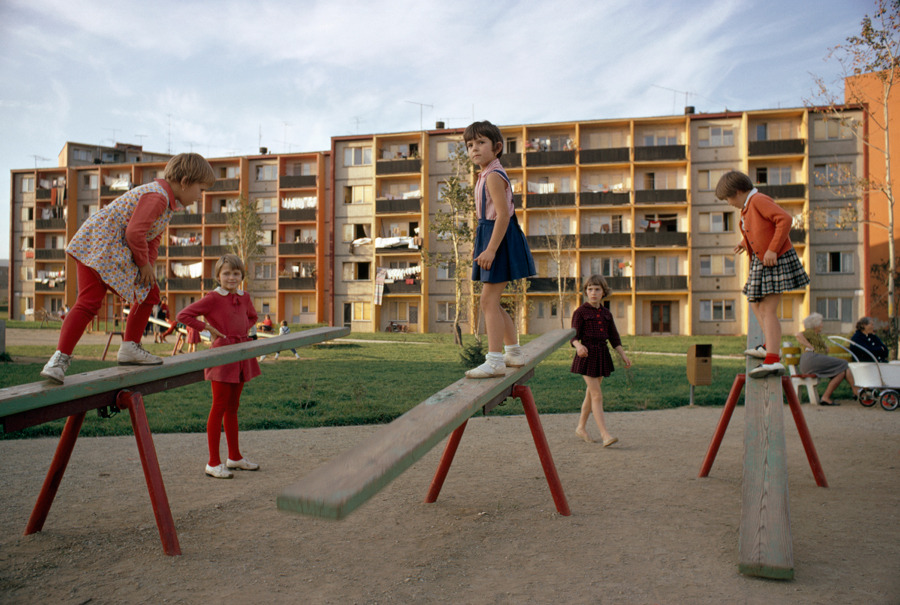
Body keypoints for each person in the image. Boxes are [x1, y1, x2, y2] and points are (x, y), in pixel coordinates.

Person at [40, 153, 215, 384]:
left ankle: (129, 348)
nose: (200, 197)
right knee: (89, 302)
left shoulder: (166, 204)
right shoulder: (158, 196)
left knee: (148, 291)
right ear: (184, 182)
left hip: (109, 248)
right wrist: (142, 264)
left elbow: (152, 238)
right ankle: (58, 360)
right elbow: (135, 232)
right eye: (200, 189)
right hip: (101, 246)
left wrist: (149, 267)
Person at [716, 170, 809, 379]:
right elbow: (760, 229)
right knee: (755, 303)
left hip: (772, 259)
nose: (729, 203)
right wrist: (744, 242)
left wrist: (773, 249)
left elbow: (785, 219)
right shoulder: (748, 206)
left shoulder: (757, 200)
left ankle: (773, 359)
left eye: (729, 198)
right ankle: (770, 346)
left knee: (767, 309)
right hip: (763, 261)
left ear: (739, 191)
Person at [178, 254, 261, 479]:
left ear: (242, 275)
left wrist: (241, 331)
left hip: (242, 353)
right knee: (219, 406)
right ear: (218, 276)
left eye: (236, 273)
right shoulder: (213, 298)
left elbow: (252, 317)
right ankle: (213, 462)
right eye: (226, 273)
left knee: (233, 407)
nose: (231, 278)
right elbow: (183, 315)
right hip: (222, 356)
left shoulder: (245, 297)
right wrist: (208, 327)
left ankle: (234, 457)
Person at [463, 120, 536, 378]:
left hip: (498, 236)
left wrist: (491, 249)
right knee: (492, 301)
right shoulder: (486, 173)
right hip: (491, 234)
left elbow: (503, 216)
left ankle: (495, 361)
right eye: (470, 145)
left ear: (497, 147)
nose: (474, 149)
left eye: (481, 143)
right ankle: (513, 352)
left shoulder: (493, 175)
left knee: (487, 300)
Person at [571, 275, 632, 447]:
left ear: (603, 292)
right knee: (597, 394)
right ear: (586, 292)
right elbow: (573, 335)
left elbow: (614, 338)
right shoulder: (580, 312)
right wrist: (578, 346)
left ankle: (581, 428)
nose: (593, 293)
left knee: (591, 394)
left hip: (602, 355)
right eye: (590, 289)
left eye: (597, 289)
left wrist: (623, 355)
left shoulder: (606, 314)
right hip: (586, 356)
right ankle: (605, 435)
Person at [796, 312, 859, 406]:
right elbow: (798, 335)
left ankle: (825, 398)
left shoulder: (816, 335)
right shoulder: (810, 331)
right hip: (811, 359)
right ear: (815, 324)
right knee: (844, 363)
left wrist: (824, 347)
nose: (822, 325)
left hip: (813, 360)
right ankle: (856, 391)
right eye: (821, 322)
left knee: (841, 372)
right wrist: (809, 346)